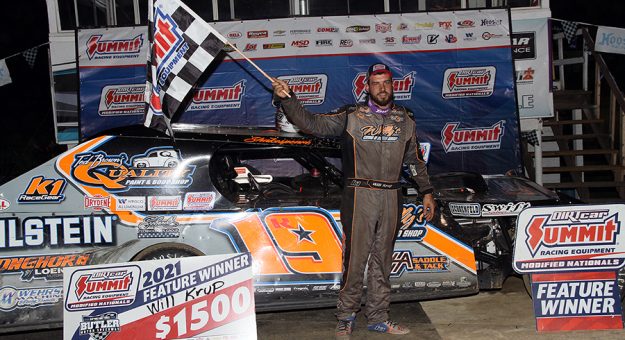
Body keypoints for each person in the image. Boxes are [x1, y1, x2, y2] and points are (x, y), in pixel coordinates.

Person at [272, 63, 435, 339]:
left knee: (383, 261)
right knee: (356, 259)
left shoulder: (406, 118)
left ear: (393, 85)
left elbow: (414, 161)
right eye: (376, 83)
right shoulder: (351, 115)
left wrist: (427, 191)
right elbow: (312, 123)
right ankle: (346, 317)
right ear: (367, 87)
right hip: (360, 194)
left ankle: (378, 318)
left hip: (392, 196)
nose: (382, 88)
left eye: (386, 82)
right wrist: (288, 99)